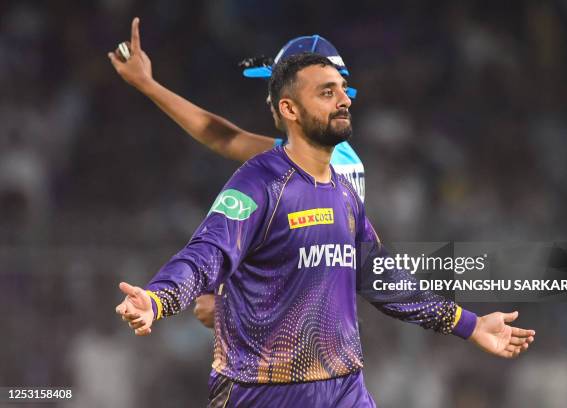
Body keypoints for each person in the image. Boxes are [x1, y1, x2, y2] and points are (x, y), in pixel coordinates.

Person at [114, 47, 535, 406]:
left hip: (343, 388)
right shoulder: (260, 182)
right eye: (326, 92)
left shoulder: (344, 191)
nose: (343, 100)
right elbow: (207, 254)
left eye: (342, 91)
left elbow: (381, 278)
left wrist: (471, 324)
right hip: (263, 391)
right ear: (289, 110)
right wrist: (158, 299)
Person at [108, 18, 364, 329]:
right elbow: (222, 136)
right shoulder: (331, 155)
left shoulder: (319, 170)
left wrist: (232, 310)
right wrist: (146, 83)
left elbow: (312, 289)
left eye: (278, 86)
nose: (270, 100)